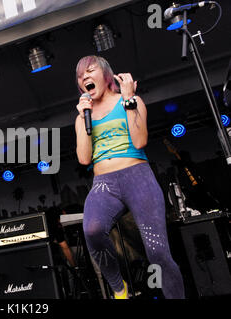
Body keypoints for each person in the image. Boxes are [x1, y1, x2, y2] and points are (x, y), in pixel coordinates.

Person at [74, 55, 185, 299]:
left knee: (157, 253)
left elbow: (140, 141)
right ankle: (119, 288)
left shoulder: (130, 101)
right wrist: (83, 118)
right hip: (104, 183)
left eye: (90, 71)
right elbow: (84, 158)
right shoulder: (83, 116)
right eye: (81, 76)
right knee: (92, 231)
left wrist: (128, 100)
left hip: (137, 176)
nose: (84, 78)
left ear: (105, 75)